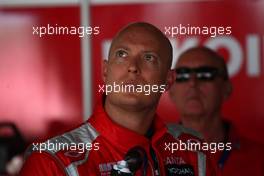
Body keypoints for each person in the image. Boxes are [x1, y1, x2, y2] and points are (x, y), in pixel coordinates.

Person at [20, 23, 214, 176]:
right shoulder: (52, 161)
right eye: (122, 55)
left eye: (149, 58)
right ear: (105, 71)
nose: (132, 67)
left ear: (168, 80)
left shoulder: (193, 151)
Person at [169, 46, 264, 176]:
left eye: (205, 74)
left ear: (227, 88)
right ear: (171, 92)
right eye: (182, 75)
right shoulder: (153, 155)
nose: (192, 83)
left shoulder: (259, 158)